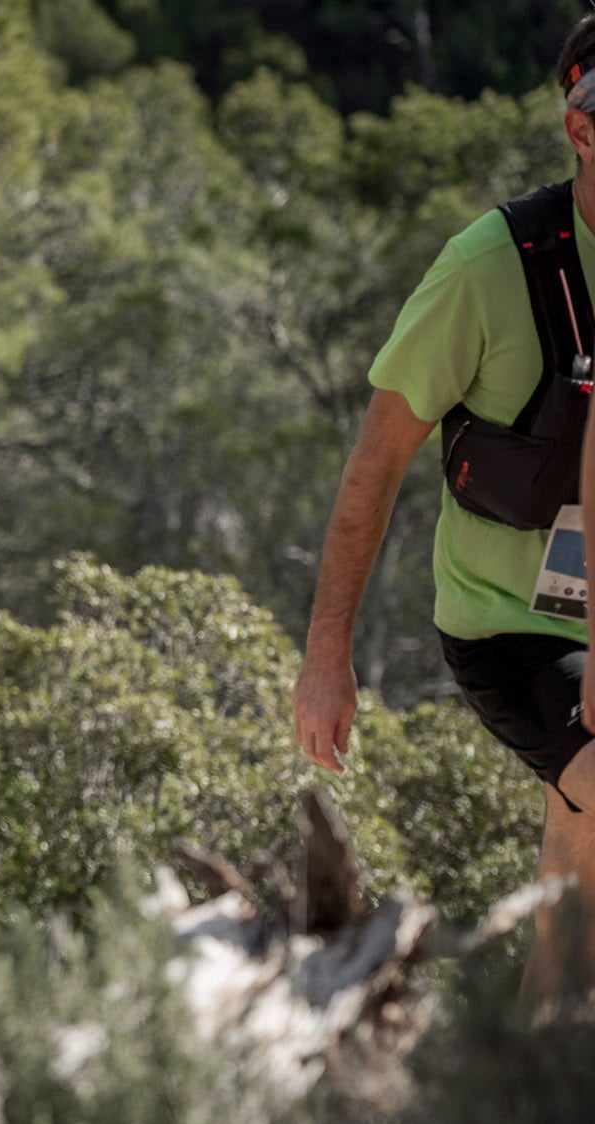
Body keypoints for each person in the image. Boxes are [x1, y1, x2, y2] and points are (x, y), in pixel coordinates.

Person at [297, 19, 595, 1006]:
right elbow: (375, 462)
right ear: (580, 130)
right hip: (509, 624)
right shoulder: (489, 268)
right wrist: (325, 656)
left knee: (578, 822)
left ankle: (543, 1048)